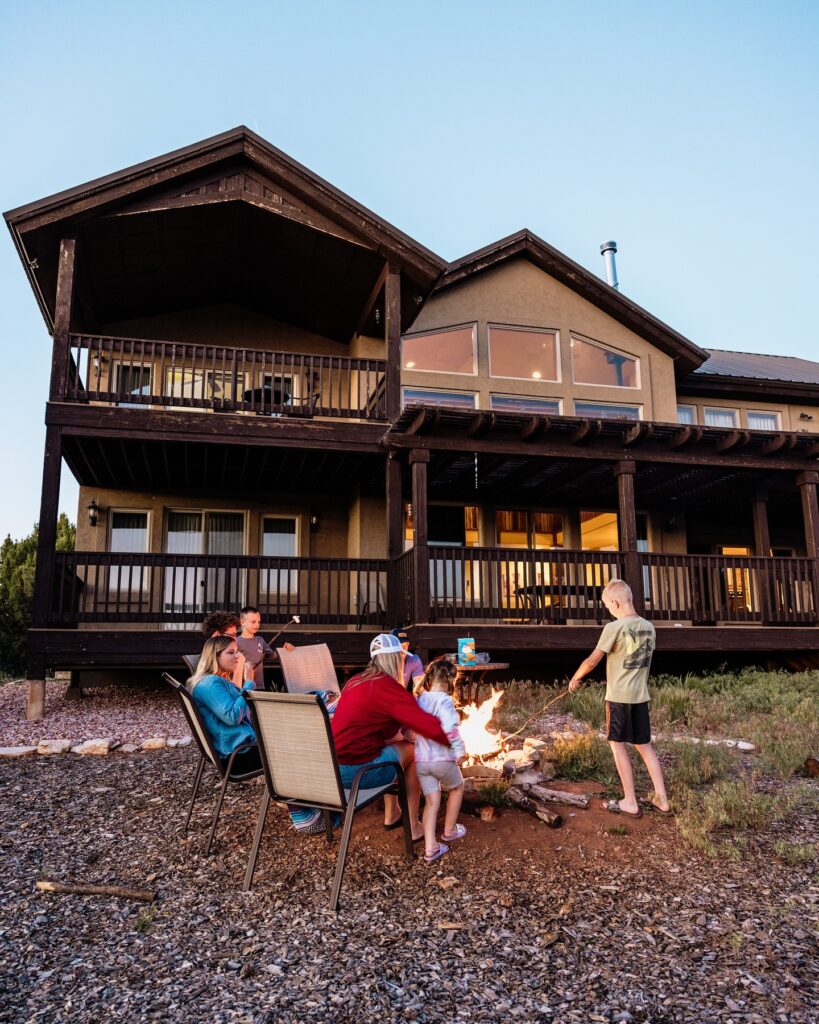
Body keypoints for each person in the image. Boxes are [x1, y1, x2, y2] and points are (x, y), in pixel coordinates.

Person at [331, 633, 453, 843]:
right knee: (413, 752)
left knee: (398, 746)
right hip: (355, 773)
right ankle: (414, 826)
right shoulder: (389, 688)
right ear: (396, 658)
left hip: (329, 771)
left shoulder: (354, 681)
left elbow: (385, 733)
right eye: (401, 657)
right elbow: (427, 726)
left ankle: (393, 813)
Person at [568, 578, 671, 818]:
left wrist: (575, 679)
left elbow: (593, 660)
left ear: (614, 602)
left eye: (608, 607)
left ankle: (630, 801)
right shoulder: (649, 627)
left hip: (619, 698)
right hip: (640, 697)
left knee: (618, 746)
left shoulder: (613, 628)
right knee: (645, 747)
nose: (609, 611)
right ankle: (662, 799)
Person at [413, 658, 467, 863]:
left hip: (421, 762)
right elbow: (449, 729)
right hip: (441, 759)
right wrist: (460, 750)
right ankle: (450, 831)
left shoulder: (421, 700)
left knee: (432, 802)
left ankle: (430, 848)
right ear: (451, 681)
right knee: (457, 787)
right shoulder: (444, 701)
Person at [187, 635, 261, 773]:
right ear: (215, 657)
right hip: (240, 755)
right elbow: (232, 716)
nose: (237, 656)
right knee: (298, 748)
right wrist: (249, 682)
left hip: (243, 748)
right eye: (231, 652)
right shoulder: (209, 684)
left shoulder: (216, 681)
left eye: (237, 651)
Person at [234, 605, 294, 690]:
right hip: (242, 685)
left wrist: (284, 650)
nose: (257, 625)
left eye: (258, 622)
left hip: (259, 685)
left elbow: (271, 655)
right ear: (242, 622)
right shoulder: (236, 642)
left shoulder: (260, 640)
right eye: (253, 622)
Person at [392, 626, 425, 691]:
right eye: (399, 645)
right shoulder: (384, 661)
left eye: (405, 645)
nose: (403, 648)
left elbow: (419, 684)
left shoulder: (413, 659)